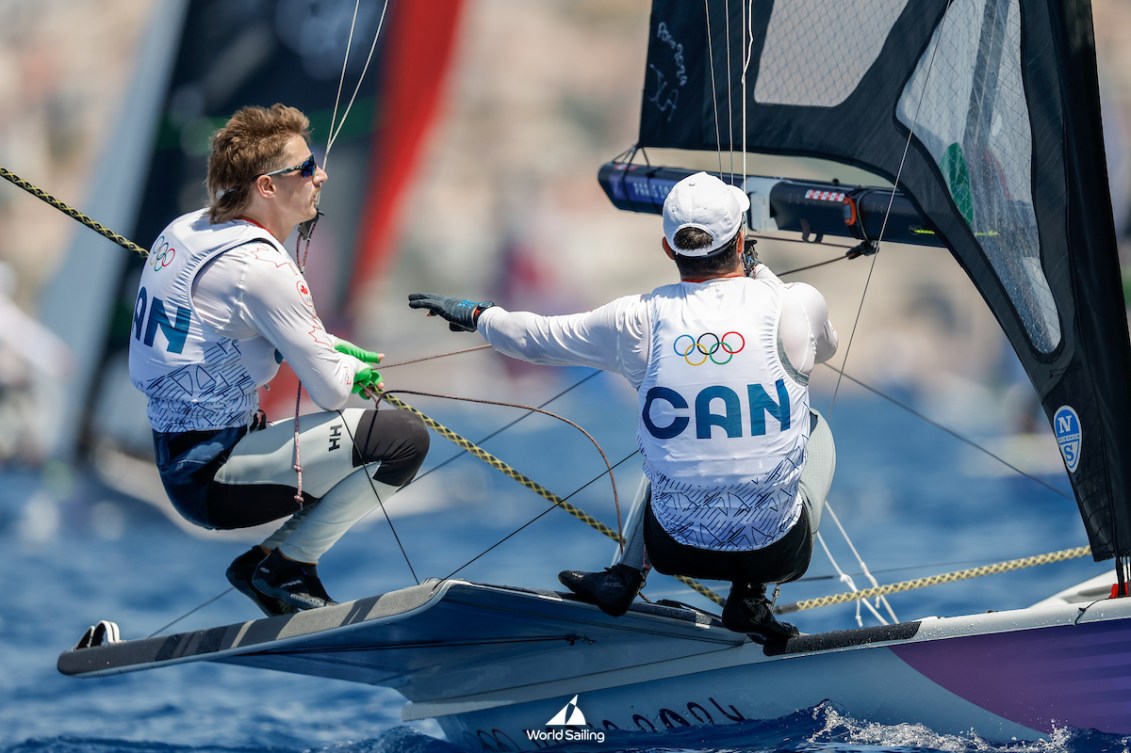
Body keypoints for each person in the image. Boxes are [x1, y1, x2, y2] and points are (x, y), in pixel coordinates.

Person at [407, 171, 837, 644]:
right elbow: (827, 347)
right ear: (740, 238)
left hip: (674, 548)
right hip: (777, 553)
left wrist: (476, 315)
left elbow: (534, 338)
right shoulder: (796, 303)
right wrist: (761, 271)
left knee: (677, 439)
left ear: (668, 249)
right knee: (814, 430)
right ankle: (751, 597)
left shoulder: (637, 319)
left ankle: (624, 578)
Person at [129, 104, 429, 616]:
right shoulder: (263, 267)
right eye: (306, 168)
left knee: (384, 435)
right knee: (403, 439)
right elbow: (332, 392)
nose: (322, 175)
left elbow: (222, 328)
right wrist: (346, 368)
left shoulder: (185, 229)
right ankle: (288, 566)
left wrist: (322, 345)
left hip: (180, 460)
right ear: (267, 186)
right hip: (216, 477)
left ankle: (265, 565)